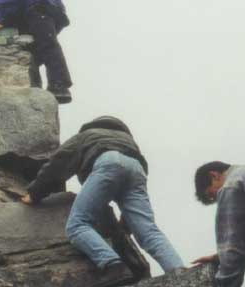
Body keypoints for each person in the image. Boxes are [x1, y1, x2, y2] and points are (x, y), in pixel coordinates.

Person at [20, 115, 184, 274]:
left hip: (107, 162)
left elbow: (58, 164)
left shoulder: (86, 135)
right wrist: (126, 222)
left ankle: (110, 262)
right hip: (137, 170)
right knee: (148, 232)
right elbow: (129, 180)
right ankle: (178, 270)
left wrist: (35, 193)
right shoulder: (129, 142)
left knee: (77, 225)